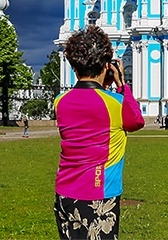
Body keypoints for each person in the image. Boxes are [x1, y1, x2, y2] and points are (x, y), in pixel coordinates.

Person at [53, 25, 145, 239]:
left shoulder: (60, 102)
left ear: (74, 67)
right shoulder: (116, 104)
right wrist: (121, 85)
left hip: (64, 192)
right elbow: (136, 121)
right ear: (106, 66)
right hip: (98, 194)